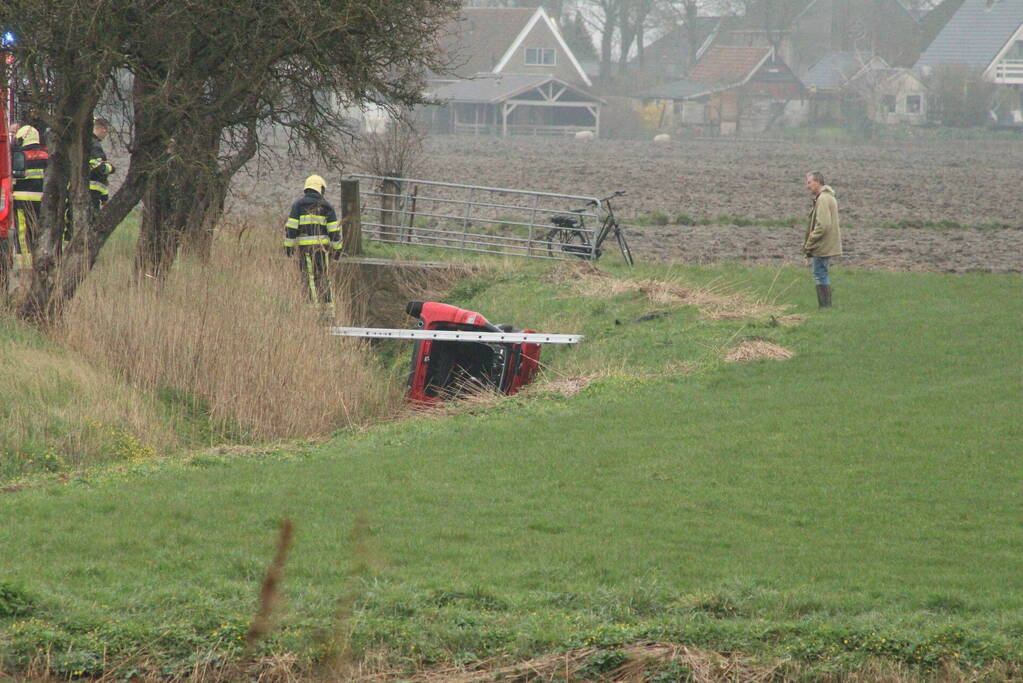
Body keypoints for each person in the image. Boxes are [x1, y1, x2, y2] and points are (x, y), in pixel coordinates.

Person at [284, 174, 342, 304]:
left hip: (303, 250)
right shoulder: (327, 206)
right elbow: (334, 232)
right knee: (322, 277)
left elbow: (291, 229)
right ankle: (326, 307)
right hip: (322, 251)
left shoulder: (298, 205)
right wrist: (337, 251)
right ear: (320, 188)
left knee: (306, 278)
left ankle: (308, 307)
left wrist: (289, 248)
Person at [10, 122, 48, 270]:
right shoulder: (45, 156)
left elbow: (13, 177)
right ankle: (37, 259)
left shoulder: (19, 156)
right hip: (40, 200)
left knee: (21, 231)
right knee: (35, 230)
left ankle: (23, 264)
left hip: (21, 199)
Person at [803, 171, 842, 308]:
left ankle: (825, 307)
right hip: (825, 244)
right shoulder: (827, 197)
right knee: (821, 273)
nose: (807, 186)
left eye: (809, 182)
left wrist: (810, 242)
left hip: (822, 245)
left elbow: (823, 225)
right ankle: (826, 307)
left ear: (817, 182)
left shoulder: (823, 199)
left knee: (820, 274)